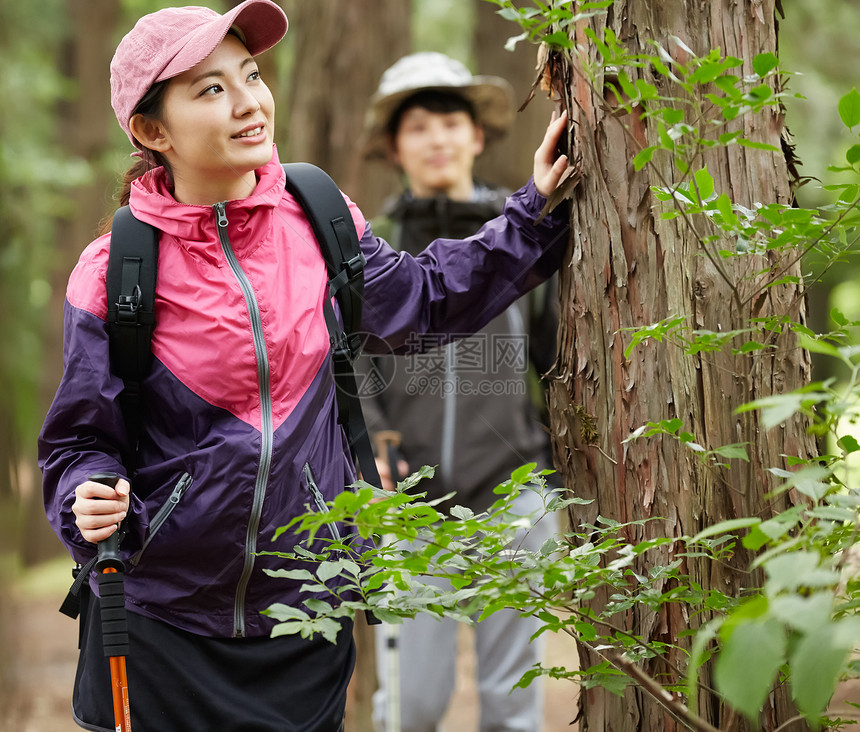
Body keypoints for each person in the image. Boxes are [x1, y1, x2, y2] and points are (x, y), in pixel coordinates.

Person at [37, 2, 571, 731]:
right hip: (163, 618)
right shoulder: (114, 271)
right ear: (152, 130)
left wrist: (534, 211)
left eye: (251, 76)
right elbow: (77, 443)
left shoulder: (318, 216)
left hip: (305, 611)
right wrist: (84, 493)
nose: (250, 101)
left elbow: (424, 299)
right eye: (211, 89)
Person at [359, 53, 559, 732]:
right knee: (410, 706)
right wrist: (371, 448)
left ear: (478, 135)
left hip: (514, 495)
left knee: (513, 702)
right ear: (393, 146)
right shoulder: (370, 249)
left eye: (452, 121)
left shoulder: (526, 236)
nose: (438, 137)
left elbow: (557, 358)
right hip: (410, 510)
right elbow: (345, 366)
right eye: (418, 126)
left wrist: (555, 481)